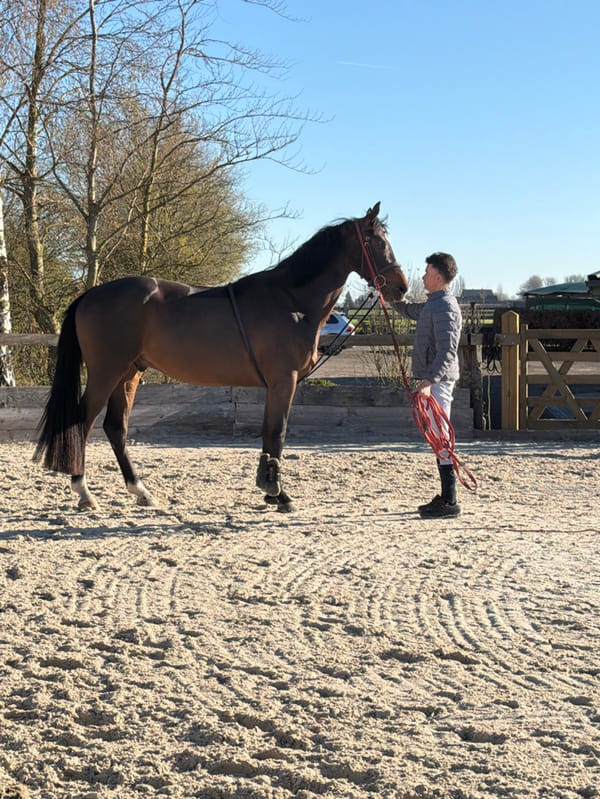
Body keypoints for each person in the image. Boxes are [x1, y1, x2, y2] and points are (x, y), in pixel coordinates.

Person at [394, 252, 463, 518]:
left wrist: (428, 381)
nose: (422, 276)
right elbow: (411, 311)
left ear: (437, 276)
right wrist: (390, 299)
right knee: (437, 436)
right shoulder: (433, 304)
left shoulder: (445, 307)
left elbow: (447, 352)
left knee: (441, 436)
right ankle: (447, 498)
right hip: (433, 381)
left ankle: (450, 501)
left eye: (426, 272)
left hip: (439, 382)